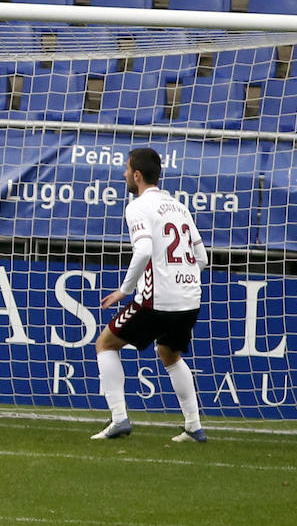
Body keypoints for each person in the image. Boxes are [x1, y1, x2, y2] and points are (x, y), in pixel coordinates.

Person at [91, 148, 209, 443]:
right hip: (190, 297)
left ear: (138, 175)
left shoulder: (138, 206)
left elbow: (143, 250)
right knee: (169, 353)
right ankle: (194, 426)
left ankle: (119, 419)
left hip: (158, 299)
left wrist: (124, 290)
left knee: (105, 343)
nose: (124, 174)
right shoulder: (179, 206)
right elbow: (202, 257)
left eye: (126, 169)